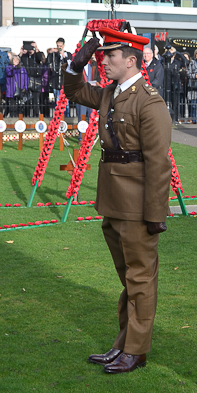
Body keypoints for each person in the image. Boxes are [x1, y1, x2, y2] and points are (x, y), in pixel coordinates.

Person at [63, 27, 172, 374]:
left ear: (131, 60)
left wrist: (155, 213)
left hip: (138, 205)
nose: (103, 60)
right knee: (128, 278)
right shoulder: (112, 93)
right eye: (102, 55)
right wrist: (73, 67)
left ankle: (136, 350)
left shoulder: (149, 101)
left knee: (140, 278)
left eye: (109, 56)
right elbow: (77, 91)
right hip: (112, 200)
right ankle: (124, 344)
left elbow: (159, 163)